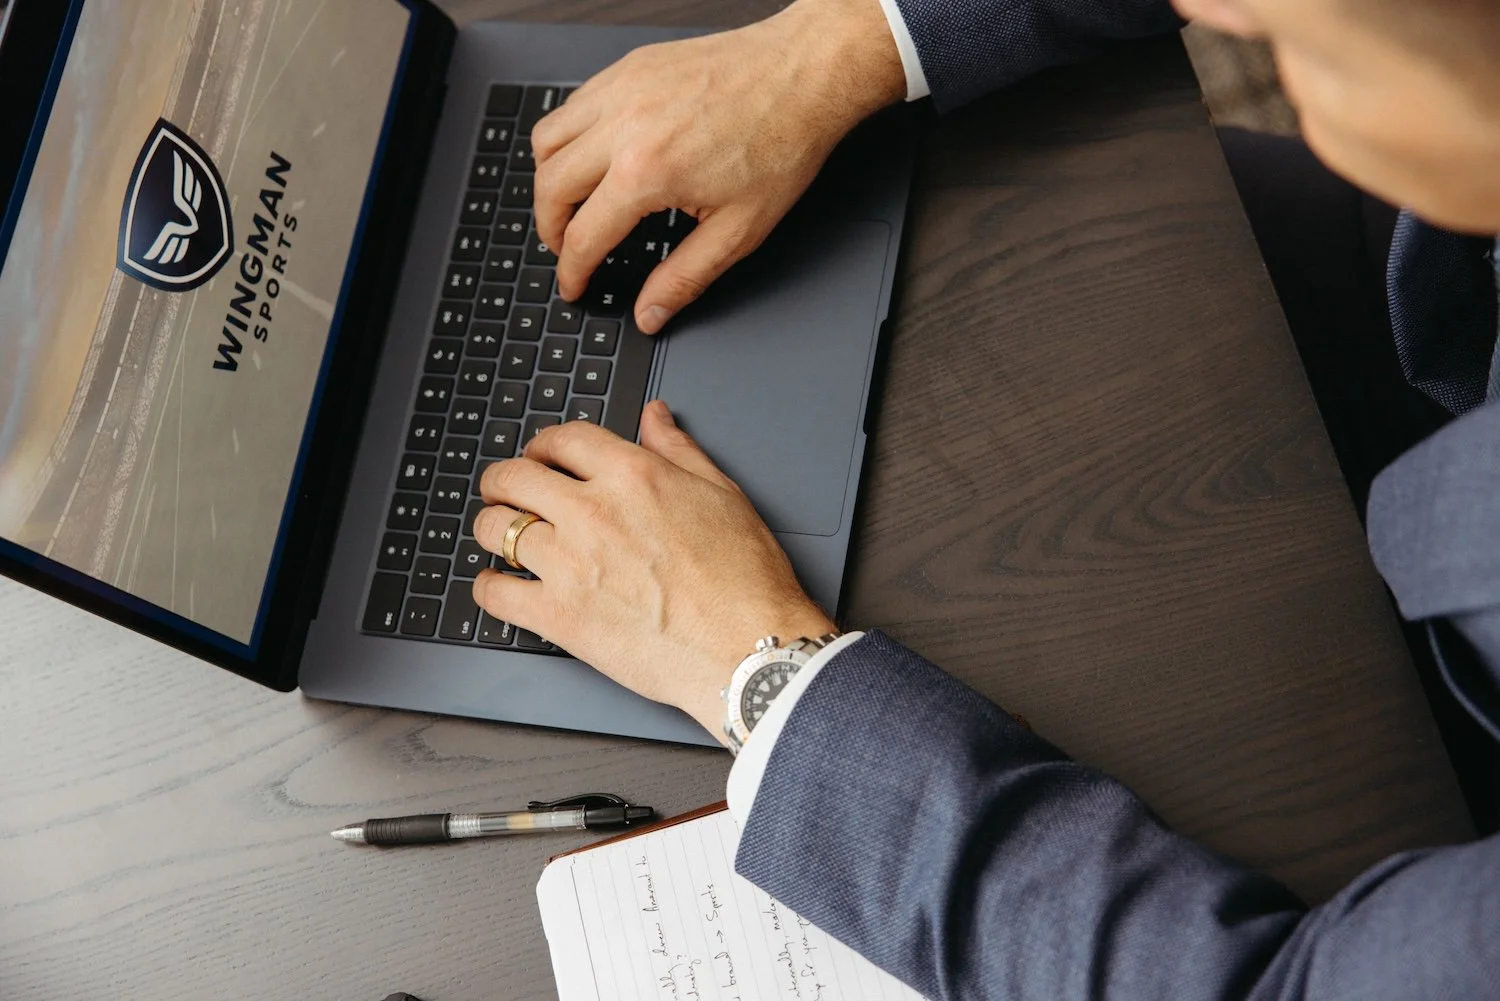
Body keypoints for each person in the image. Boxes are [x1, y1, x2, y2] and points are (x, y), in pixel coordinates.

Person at [466, 0, 1500, 995]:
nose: (1217, 13)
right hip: (1438, 284)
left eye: (1298, 30)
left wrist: (756, 670)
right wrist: (838, 44)